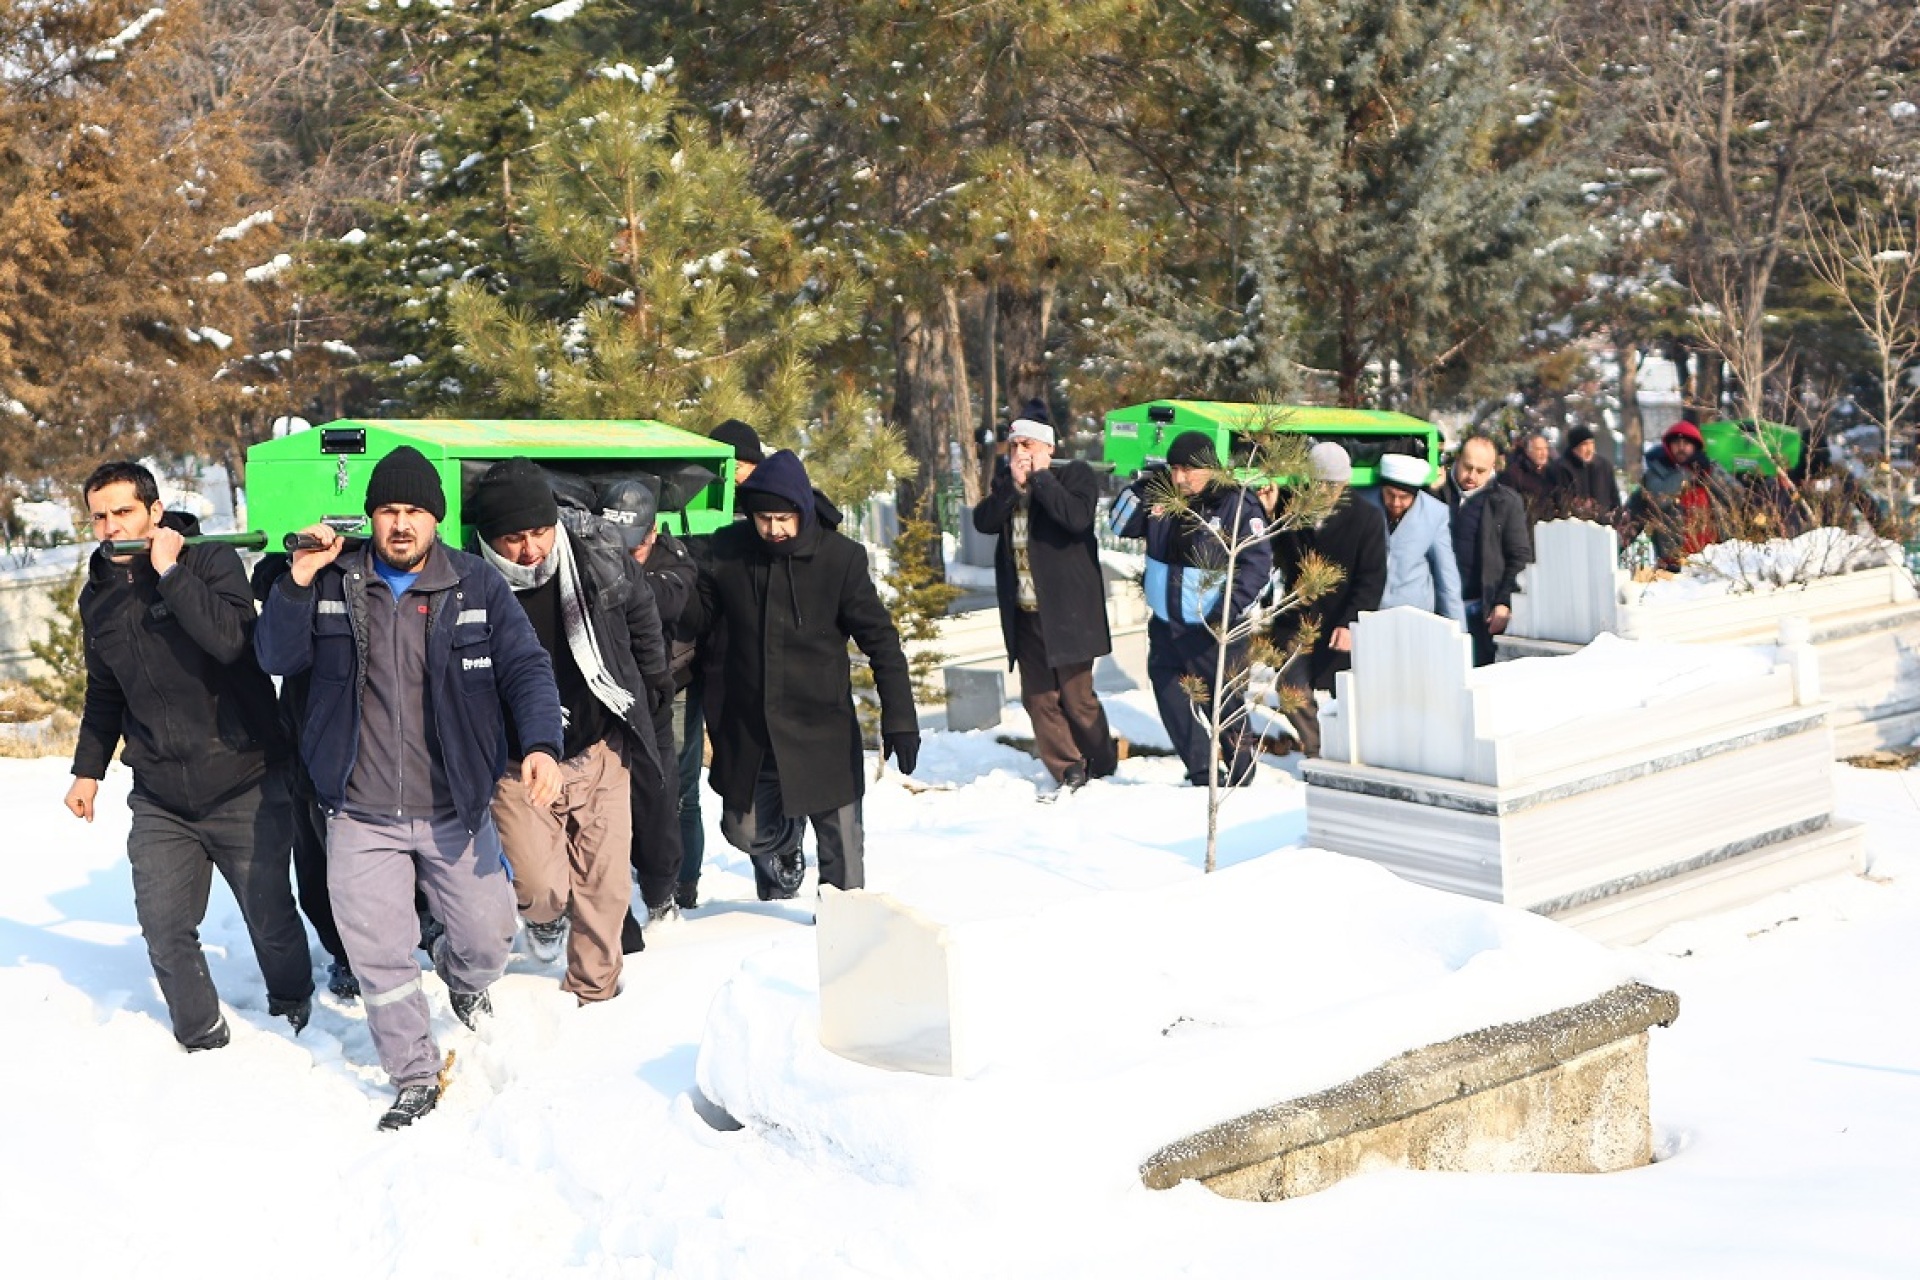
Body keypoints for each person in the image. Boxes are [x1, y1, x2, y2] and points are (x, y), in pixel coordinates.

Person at [256, 445, 565, 1131]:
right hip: (359, 812)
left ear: (436, 518)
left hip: (452, 805)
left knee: (489, 937)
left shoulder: (478, 585)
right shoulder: (334, 580)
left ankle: (462, 980)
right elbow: (275, 656)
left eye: (415, 511)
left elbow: (526, 669)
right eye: (389, 510)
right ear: (371, 516)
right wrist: (298, 579)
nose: (401, 524)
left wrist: (541, 745)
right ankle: (414, 1074)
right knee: (380, 954)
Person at [64, 462, 314, 1053]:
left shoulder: (209, 561)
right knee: (165, 926)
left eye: (122, 512)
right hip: (160, 793)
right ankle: (201, 1038)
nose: (108, 527)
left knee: (270, 916)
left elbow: (233, 643)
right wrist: (87, 770)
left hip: (244, 776)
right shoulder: (97, 596)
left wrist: (171, 573)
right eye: (98, 516)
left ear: (153, 512)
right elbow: (105, 691)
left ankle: (293, 1003)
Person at [468, 458, 672, 1004]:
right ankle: (541, 920)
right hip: (516, 765)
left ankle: (593, 994)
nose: (531, 550)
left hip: (598, 745)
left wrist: (653, 685)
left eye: (539, 532)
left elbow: (642, 618)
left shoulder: (596, 558)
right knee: (540, 888)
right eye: (513, 539)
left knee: (605, 889)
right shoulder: (469, 586)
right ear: (488, 539)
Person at [696, 449, 919, 899]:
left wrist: (901, 716)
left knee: (843, 855)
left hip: (822, 729)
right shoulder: (730, 553)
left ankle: (844, 931)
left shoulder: (841, 560)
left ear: (801, 509)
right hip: (754, 732)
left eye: (783, 518)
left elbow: (881, 642)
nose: (773, 529)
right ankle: (786, 839)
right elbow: (695, 618)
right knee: (744, 832)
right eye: (763, 519)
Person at [1110, 430, 1271, 787]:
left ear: (1209, 468)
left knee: (1224, 704)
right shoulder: (1163, 496)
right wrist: (1140, 489)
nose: (1180, 478)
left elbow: (1257, 565)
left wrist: (1224, 612)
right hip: (1167, 624)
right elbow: (1118, 525)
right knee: (1169, 693)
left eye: (1188, 470)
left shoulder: (1236, 503)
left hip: (1213, 627)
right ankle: (1200, 769)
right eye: (1174, 469)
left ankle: (1243, 772)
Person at [970, 401, 1117, 792]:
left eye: (1030, 445)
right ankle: (1068, 769)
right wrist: (1014, 487)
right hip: (1025, 611)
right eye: (1016, 445)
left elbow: (1075, 518)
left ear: (1049, 449)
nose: (1021, 453)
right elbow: (983, 521)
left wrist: (1040, 480)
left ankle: (1102, 763)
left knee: (1077, 700)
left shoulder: (1075, 476)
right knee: (1038, 698)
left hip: (1068, 612)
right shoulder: (1008, 483)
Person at [250, 554, 359, 1001]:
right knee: (315, 868)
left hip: (367, 738)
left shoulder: (380, 545)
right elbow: (263, 583)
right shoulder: (295, 552)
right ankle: (344, 952)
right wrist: (299, 560)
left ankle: (421, 921)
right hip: (303, 732)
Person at [595, 476, 703, 921]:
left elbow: (657, 597)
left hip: (662, 691)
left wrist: (611, 572)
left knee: (668, 797)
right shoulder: (589, 556)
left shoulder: (675, 565)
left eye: (633, 547)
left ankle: (671, 890)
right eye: (614, 546)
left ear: (653, 532)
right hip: (602, 694)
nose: (623, 557)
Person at [1269, 442, 1388, 758]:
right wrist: (1269, 513)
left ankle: (1352, 750)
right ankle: (1316, 747)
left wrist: (1351, 623)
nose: (1322, 490)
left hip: (1342, 617)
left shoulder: (1367, 518)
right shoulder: (1289, 509)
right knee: (1289, 686)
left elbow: (1372, 578)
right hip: (1299, 616)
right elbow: (1272, 550)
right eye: (1315, 482)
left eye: (1331, 484)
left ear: (1345, 484)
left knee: (1348, 694)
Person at [1443, 435, 1533, 666]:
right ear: (1457, 461)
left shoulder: (1505, 502)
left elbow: (1519, 556)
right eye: (1467, 467)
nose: (1472, 476)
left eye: (1480, 471)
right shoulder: (1437, 492)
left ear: (1493, 468)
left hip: (1479, 609)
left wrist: (1504, 602)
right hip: (1437, 605)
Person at [1372, 453, 1465, 624]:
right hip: (1370, 614)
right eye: (1390, 494)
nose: (1396, 503)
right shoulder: (1366, 504)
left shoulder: (1435, 513)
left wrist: (1458, 633)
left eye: (1404, 497)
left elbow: (1447, 577)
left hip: (1415, 616)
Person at [1626, 420, 1731, 571]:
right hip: (1674, 561)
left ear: (1696, 446)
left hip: (1713, 557)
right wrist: (1687, 472)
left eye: (1686, 443)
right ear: (1668, 446)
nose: (1681, 448)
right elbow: (1660, 499)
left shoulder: (1710, 468)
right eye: (1676, 443)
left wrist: (1709, 473)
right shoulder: (1656, 472)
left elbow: (1736, 498)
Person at [1545, 425, 1623, 527]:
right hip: (1573, 528)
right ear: (1574, 447)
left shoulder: (1603, 466)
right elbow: (1560, 501)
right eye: (1585, 444)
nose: (1589, 449)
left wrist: (1615, 518)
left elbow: (1614, 497)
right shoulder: (1561, 468)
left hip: (1603, 526)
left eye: (1591, 443)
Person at [1501, 431, 1556, 523]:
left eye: (1545, 449)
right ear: (1528, 451)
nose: (1543, 453)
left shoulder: (1551, 472)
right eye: (1539, 449)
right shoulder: (1515, 473)